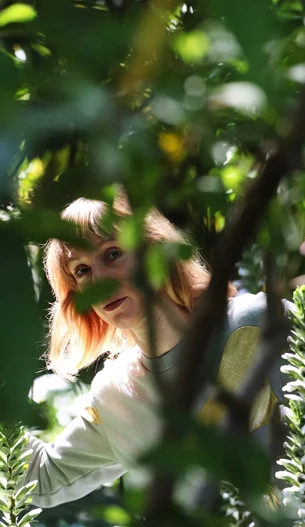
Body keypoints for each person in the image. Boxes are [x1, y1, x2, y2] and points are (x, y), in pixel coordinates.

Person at [26, 191, 283, 508]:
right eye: (82, 270)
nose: (101, 279)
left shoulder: (255, 321)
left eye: (112, 254)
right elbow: (43, 478)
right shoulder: (115, 397)